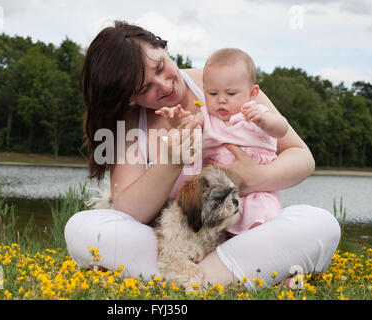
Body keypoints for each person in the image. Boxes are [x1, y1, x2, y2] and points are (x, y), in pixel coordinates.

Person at [64, 20, 340, 290]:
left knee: (321, 225)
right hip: (180, 242)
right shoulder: (131, 122)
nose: (164, 85)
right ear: (129, 98)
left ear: (162, 46)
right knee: (83, 228)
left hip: (243, 234)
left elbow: (302, 157)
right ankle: (225, 276)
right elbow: (129, 212)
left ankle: (190, 279)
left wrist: (256, 178)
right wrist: (172, 160)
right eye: (144, 88)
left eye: (161, 67)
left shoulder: (224, 84)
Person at [155, 48, 289, 235]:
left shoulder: (254, 113)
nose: (221, 100)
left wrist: (264, 121)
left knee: (259, 219)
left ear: (253, 93)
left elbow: (282, 129)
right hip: (215, 192)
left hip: (253, 191)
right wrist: (176, 121)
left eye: (231, 93)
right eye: (212, 94)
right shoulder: (207, 117)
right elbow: (189, 128)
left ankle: (255, 243)